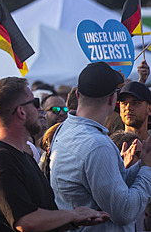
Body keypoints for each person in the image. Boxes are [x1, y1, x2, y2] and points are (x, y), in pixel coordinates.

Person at [0, 77, 109, 231]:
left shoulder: (22, 156)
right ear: (21, 111)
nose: (40, 110)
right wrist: (73, 215)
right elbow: (26, 222)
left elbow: (41, 214)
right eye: (36, 103)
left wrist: (76, 218)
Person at [50, 61, 151, 231]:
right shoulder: (97, 145)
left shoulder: (65, 129)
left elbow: (98, 188)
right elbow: (124, 213)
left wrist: (134, 167)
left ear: (78, 94)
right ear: (113, 99)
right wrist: (147, 169)